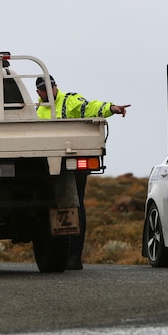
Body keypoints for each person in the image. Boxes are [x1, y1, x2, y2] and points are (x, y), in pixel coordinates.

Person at [36, 75, 130, 270]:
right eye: (45, 89)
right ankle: (55, 251)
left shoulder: (69, 101)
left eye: (51, 87)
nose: (50, 91)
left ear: (55, 87)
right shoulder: (34, 110)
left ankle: (74, 256)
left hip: (70, 161)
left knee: (75, 203)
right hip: (44, 165)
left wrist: (111, 108)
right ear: (39, 92)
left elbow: (90, 107)